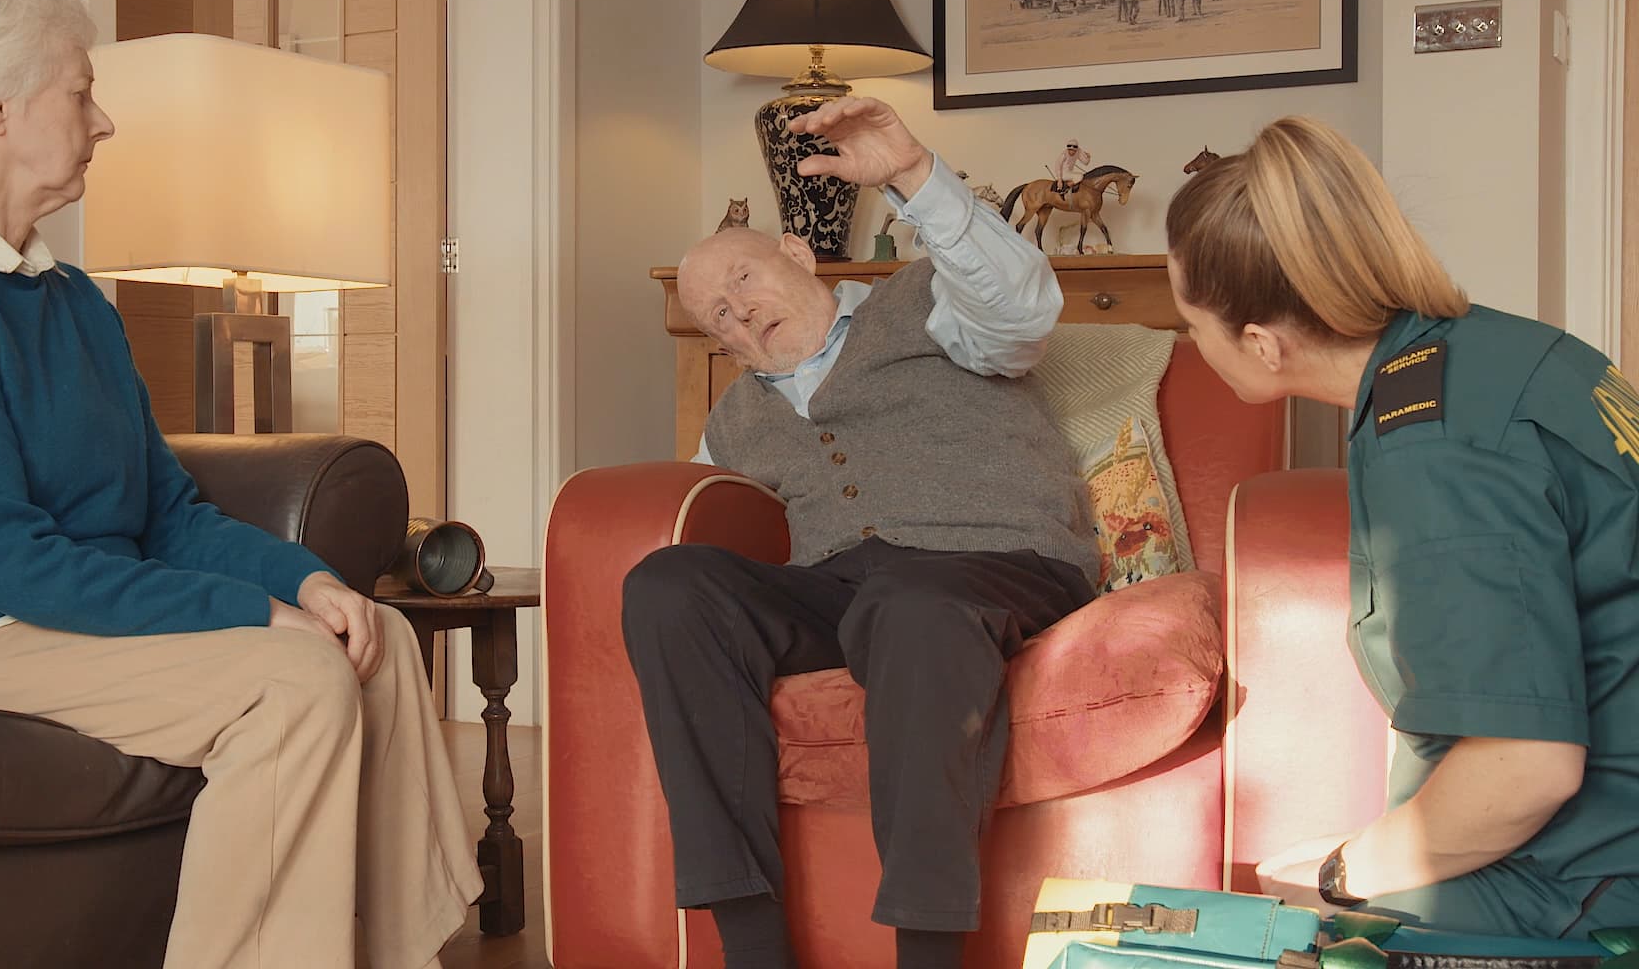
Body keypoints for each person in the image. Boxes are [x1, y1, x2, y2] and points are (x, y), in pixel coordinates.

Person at [0, 0, 481, 969]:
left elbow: (169, 514)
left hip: (28, 612)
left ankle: (398, 954)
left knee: (378, 648)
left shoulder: (70, 298)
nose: (103, 121)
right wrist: (255, 619)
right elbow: (6, 562)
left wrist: (307, 581)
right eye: (78, 91)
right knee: (291, 681)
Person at [621, 96, 1096, 969]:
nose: (739, 314)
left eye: (744, 282)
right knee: (668, 584)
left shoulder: (928, 302)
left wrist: (913, 172)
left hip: (998, 560)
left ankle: (926, 952)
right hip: (847, 590)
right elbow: (703, 524)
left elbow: (1023, 311)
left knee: (912, 601)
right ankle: (752, 947)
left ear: (797, 253)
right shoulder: (733, 420)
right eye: (716, 319)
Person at [1165, 115, 1639, 937]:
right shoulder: (1495, 352)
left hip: (1591, 876)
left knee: (1214, 931)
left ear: (1261, 343)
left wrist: (1343, 873)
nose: (1187, 342)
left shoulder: (1437, 447)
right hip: (1580, 840)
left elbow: (1526, 769)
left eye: (1189, 324)